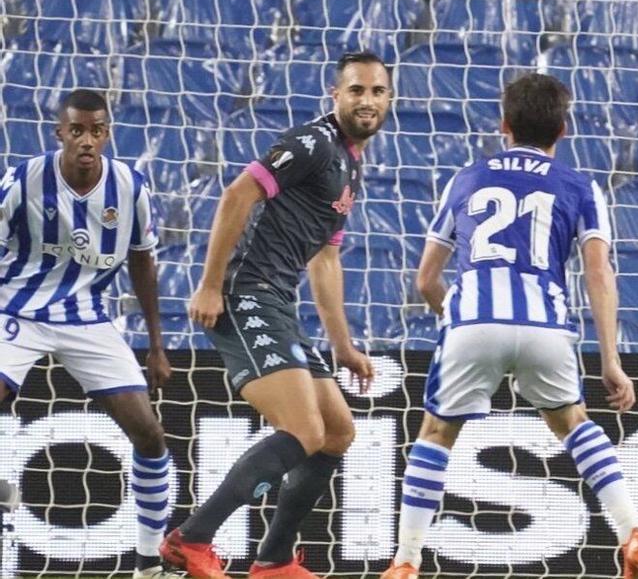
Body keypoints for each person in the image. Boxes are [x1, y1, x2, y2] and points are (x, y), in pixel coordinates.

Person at [381, 73, 638, 579]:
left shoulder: (466, 178)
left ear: (504, 124)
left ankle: (405, 561)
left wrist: (464, 321)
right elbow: (599, 273)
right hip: (544, 326)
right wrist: (612, 361)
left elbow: (425, 279)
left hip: (473, 320)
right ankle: (632, 532)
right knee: (574, 424)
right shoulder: (580, 186)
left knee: (436, 433)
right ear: (565, 129)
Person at [159, 52, 387, 579]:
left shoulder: (350, 163)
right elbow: (238, 193)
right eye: (356, 90)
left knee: (336, 431)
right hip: (246, 294)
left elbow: (326, 259)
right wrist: (211, 285)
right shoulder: (313, 142)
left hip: (278, 300)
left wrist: (343, 344)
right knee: (303, 428)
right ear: (336, 95)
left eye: (377, 91)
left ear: (389, 99)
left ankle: (274, 560)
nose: (367, 101)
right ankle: (190, 540)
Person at [0, 89, 178, 578]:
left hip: (89, 319)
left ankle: (148, 561)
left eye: (95, 130)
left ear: (106, 134)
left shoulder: (130, 187)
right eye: (75, 129)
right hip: (18, 309)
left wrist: (157, 346)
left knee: (149, 434)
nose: (85, 139)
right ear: (59, 133)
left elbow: (143, 262)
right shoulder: (22, 180)